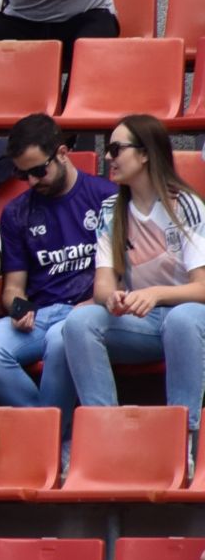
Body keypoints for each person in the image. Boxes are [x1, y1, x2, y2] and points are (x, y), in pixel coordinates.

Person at [59, 115, 205, 457]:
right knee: (79, 322)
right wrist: (115, 299)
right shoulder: (111, 209)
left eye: (116, 149)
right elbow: (102, 286)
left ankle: (183, 441)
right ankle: (106, 440)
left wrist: (155, 294)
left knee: (183, 318)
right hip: (144, 324)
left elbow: (202, 288)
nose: (109, 157)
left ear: (144, 154)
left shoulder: (185, 204)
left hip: (190, 321)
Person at [0, 114, 115, 406]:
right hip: (41, 313)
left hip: (88, 310)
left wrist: (95, 302)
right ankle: (49, 430)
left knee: (61, 341)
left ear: (62, 153)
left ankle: (48, 439)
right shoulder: (17, 212)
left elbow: (126, 272)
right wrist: (18, 308)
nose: (32, 181)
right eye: (23, 175)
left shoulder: (105, 197)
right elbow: (13, 286)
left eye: (38, 170)